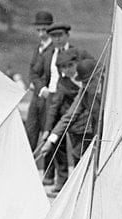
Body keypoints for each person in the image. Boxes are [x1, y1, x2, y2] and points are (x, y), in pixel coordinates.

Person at [34, 58, 101, 190]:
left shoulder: (113, 88)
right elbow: (69, 116)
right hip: (96, 134)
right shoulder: (84, 92)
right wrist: (50, 141)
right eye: (84, 82)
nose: (87, 85)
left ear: (98, 75)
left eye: (89, 81)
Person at [23, 10, 55, 148]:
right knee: (30, 131)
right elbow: (32, 70)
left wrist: (40, 85)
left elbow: (49, 73)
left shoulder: (55, 48)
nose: (41, 34)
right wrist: (38, 86)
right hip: (37, 95)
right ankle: (26, 167)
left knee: (47, 135)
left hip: (49, 98)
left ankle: (48, 169)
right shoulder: (39, 48)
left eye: (44, 30)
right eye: (38, 30)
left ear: (51, 29)